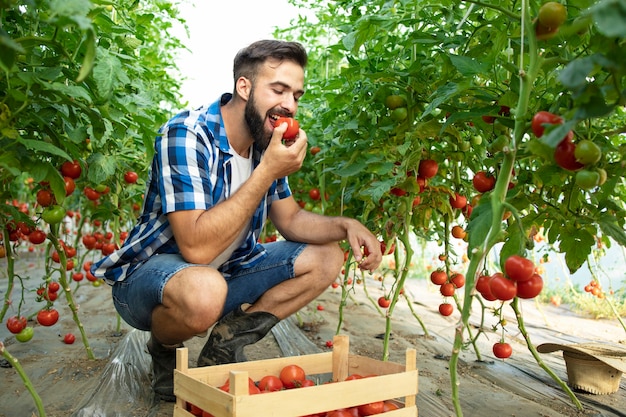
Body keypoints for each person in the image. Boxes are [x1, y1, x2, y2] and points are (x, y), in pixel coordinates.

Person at [90, 39, 383, 402]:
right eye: (278, 90)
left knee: (327, 257)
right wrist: (266, 172)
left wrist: (346, 226)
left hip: (226, 272)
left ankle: (227, 342)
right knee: (204, 289)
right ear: (243, 87)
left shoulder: (265, 144)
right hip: (151, 279)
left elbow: (290, 219)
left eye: (296, 95)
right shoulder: (187, 134)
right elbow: (196, 248)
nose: (289, 105)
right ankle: (164, 347)